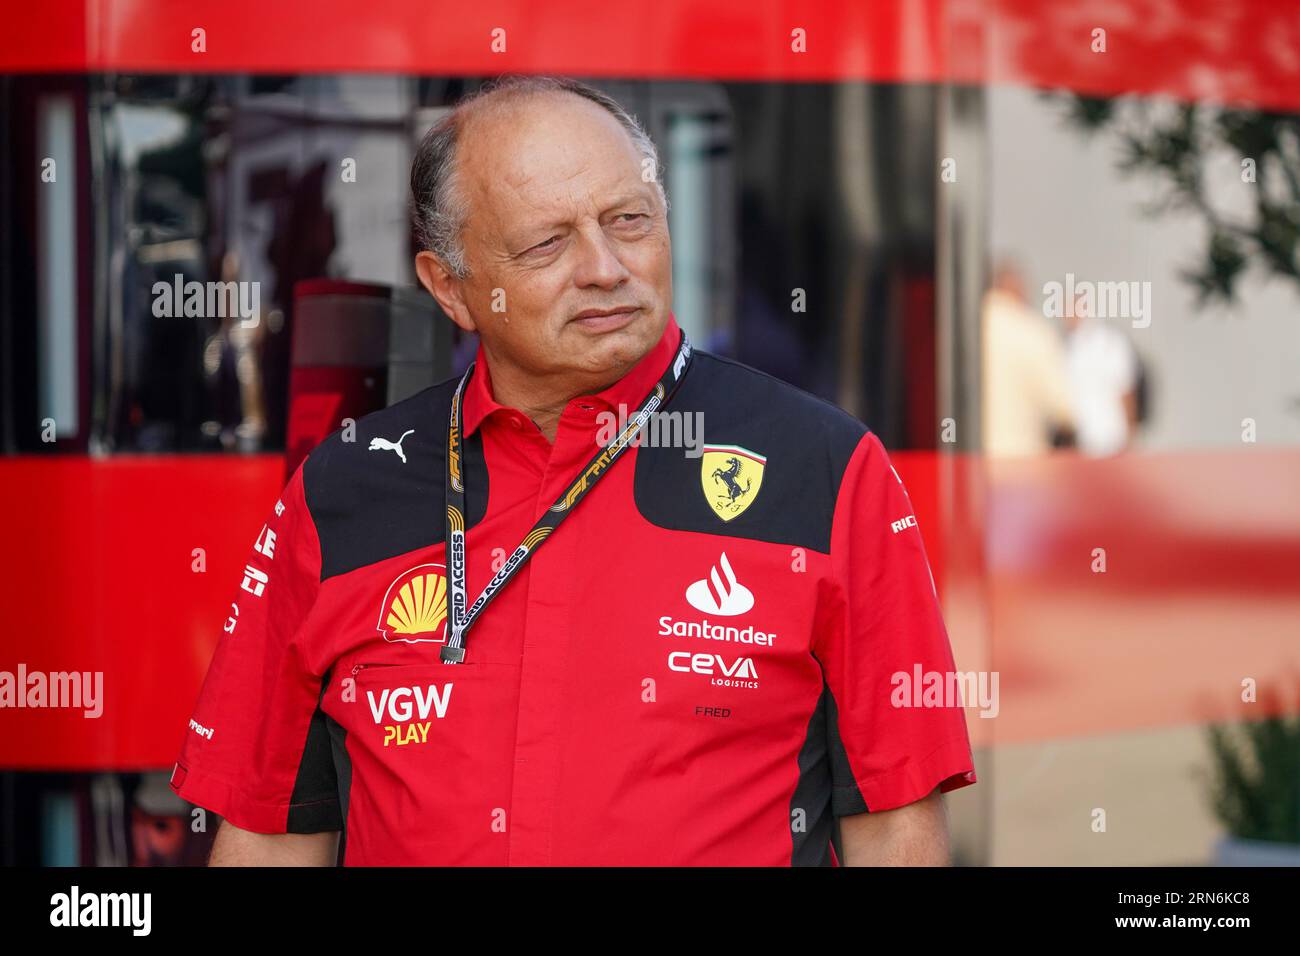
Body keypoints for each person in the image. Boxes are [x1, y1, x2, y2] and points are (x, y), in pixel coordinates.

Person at [170, 76, 975, 866]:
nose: (604, 267)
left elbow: (897, 830)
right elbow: (270, 833)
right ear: (451, 288)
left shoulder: (827, 473)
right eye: (546, 243)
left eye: (630, 220)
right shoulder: (338, 495)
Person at [981, 262, 1077, 456]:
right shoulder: (1033, 330)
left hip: (967, 462)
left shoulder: (960, 328)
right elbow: (1063, 411)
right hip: (1022, 461)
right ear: (1019, 289)